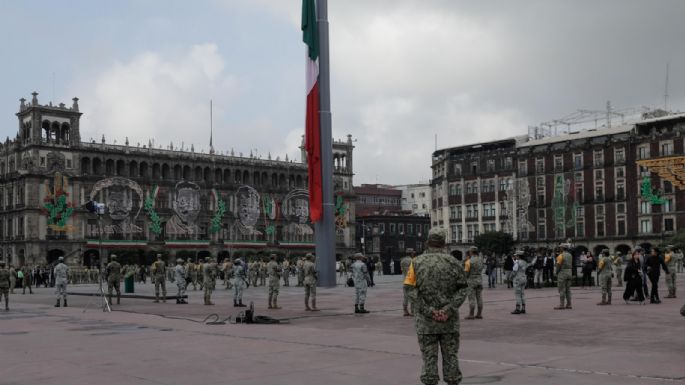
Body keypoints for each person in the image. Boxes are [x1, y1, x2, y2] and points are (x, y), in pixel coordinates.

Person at [405, 228, 468, 385]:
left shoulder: (416, 263)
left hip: (426, 323)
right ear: (444, 244)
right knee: (451, 356)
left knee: (429, 359)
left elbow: (410, 290)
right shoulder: (454, 262)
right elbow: (463, 289)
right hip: (449, 321)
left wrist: (429, 311)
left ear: (427, 242)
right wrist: (448, 309)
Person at [464, 246, 484, 320]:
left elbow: (466, 273)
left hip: (471, 281)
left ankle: (471, 314)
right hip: (479, 280)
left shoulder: (469, 261)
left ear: (471, 252)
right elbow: (482, 268)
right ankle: (479, 314)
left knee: (471, 298)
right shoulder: (480, 260)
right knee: (479, 297)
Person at [554, 243, 573, 310]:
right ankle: (569, 304)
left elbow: (558, 265)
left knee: (562, 289)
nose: (559, 248)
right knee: (568, 289)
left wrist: (556, 272)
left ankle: (562, 304)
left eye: (560, 247)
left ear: (562, 248)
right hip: (569, 272)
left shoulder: (560, 256)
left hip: (562, 273)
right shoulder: (570, 255)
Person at [511, 250, 528, 314]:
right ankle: (523, 308)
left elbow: (514, 271)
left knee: (517, 294)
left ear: (518, 256)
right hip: (524, 278)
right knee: (522, 293)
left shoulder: (517, 262)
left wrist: (510, 277)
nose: (516, 257)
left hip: (518, 279)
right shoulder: (525, 262)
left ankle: (517, 308)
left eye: (516, 256)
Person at [400, 248, 416, 316]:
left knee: (405, 296)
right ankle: (413, 311)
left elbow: (402, 270)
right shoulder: (412, 260)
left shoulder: (402, 260)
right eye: (413, 252)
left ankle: (405, 311)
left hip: (405, 280)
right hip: (411, 281)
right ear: (411, 253)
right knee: (413, 296)